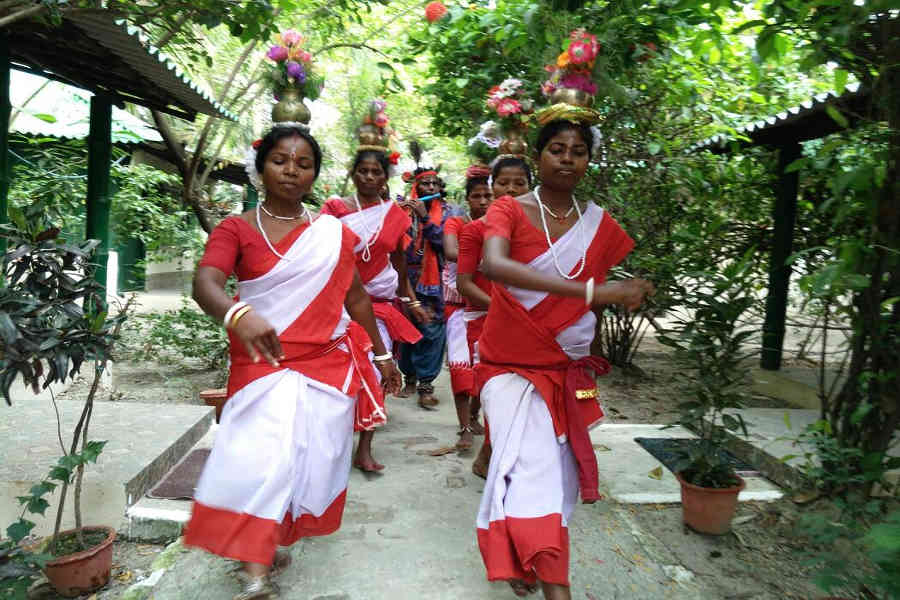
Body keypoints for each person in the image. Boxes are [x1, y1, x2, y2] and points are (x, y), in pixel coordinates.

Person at [185, 125, 402, 600]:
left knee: (304, 465)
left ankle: (262, 544)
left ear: (315, 175)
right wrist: (237, 314)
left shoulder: (332, 234)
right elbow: (206, 284)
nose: (291, 170)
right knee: (264, 462)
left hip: (325, 369)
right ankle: (255, 574)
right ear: (260, 166)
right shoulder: (236, 228)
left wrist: (382, 354)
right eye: (281, 160)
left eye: (303, 164)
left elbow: (357, 297)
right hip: (262, 364)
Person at [474, 118, 654, 599]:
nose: (568, 158)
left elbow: (582, 310)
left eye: (578, 150)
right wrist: (597, 290)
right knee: (536, 471)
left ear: (589, 161)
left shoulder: (597, 223)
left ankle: (524, 554)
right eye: (557, 148)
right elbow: (493, 265)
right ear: (538, 156)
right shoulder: (508, 209)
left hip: (565, 368)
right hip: (507, 364)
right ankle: (557, 588)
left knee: (546, 477)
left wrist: (620, 296)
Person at [320, 147, 428, 472]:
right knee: (336, 373)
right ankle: (332, 443)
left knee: (376, 368)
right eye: (363, 171)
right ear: (353, 173)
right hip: (337, 303)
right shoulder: (334, 209)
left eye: (376, 172)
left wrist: (411, 301)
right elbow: (320, 253)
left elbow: (400, 263)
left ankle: (365, 447)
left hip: (378, 308)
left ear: (385, 176)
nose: (369, 177)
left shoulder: (395, 215)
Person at [459, 155, 533, 478]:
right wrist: (501, 307)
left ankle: (499, 452)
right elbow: (464, 284)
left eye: (520, 183)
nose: (512, 190)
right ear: (492, 186)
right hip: (485, 321)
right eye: (504, 183)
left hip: (531, 325)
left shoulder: (538, 230)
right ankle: (492, 452)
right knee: (496, 391)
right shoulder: (476, 231)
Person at [395, 163, 464, 409]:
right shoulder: (402, 210)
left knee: (432, 331)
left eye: (435, 184)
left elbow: (443, 245)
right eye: (425, 184)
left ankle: (426, 384)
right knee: (406, 330)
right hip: (406, 278)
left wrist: (425, 217)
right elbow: (394, 245)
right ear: (416, 187)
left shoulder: (450, 211)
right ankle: (409, 377)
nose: (431, 187)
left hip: (435, 282)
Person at [443, 165, 492, 450]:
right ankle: (464, 427)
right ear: (468, 198)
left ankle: (474, 415)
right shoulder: (456, 223)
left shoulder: (503, 225)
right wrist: (484, 256)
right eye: (477, 196)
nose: (483, 201)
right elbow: (451, 251)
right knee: (462, 367)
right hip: (459, 306)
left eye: (488, 195)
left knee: (485, 369)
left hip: (491, 305)